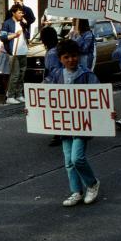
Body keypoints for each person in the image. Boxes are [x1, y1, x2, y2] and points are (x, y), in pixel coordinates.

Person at [43, 39, 105, 206]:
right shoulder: (56, 75)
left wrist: (107, 114)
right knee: (68, 162)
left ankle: (92, 184)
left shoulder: (87, 75)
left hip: (82, 124)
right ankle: (76, 191)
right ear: (61, 59)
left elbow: (100, 98)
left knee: (77, 158)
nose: (71, 60)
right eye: (66, 57)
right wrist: (33, 110)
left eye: (74, 56)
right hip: (64, 125)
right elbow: (43, 95)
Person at [0, 4, 31, 104]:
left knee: (22, 74)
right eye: (19, 12)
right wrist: (14, 35)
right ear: (13, 13)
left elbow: (28, 36)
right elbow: (3, 37)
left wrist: (26, 26)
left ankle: (19, 94)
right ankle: (10, 96)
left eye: (22, 12)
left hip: (23, 51)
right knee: (15, 75)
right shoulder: (7, 23)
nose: (21, 14)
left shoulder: (22, 22)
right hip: (13, 52)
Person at [40, 26, 63, 147]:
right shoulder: (56, 49)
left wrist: (45, 83)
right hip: (60, 83)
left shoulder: (52, 53)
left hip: (55, 85)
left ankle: (58, 134)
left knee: (55, 109)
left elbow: (54, 71)